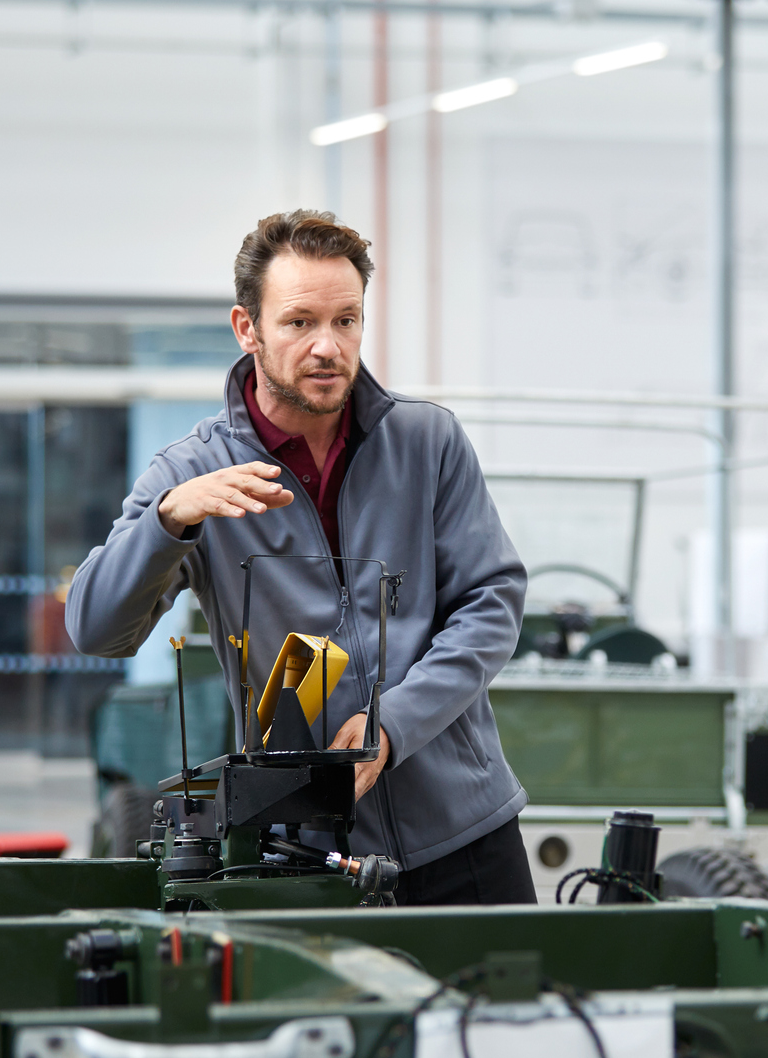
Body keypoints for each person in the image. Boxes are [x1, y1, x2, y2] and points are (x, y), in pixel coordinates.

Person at [65, 208, 535, 906]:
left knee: (504, 1018)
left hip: (466, 832)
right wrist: (168, 522)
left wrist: (393, 726)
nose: (327, 346)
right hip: (304, 851)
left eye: (346, 321)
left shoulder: (426, 442)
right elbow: (95, 630)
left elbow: (490, 604)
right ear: (246, 328)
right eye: (299, 322)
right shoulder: (190, 474)